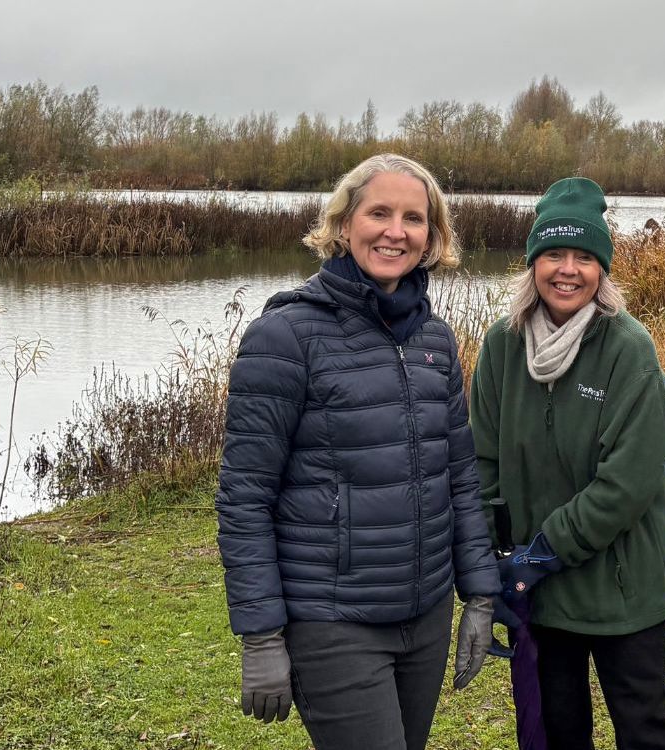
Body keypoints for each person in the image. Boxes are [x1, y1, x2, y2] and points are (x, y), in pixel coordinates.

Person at [215, 153, 502, 750]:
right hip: (334, 621)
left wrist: (478, 592)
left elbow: (459, 479)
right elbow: (245, 497)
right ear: (344, 225)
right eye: (379, 213)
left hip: (424, 616)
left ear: (432, 237)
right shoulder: (285, 336)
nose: (396, 231)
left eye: (414, 218)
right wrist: (262, 636)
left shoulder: (435, 340)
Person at [472, 177, 665, 750]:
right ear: (532, 264)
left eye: (585, 257)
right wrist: (496, 560)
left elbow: (627, 483)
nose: (568, 270)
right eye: (554, 255)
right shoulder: (501, 346)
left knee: (646, 731)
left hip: (621, 591)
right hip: (538, 594)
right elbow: (483, 462)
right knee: (558, 732)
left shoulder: (628, 349)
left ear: (602, 270)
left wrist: (544, 550)